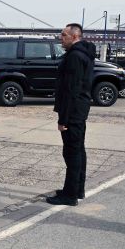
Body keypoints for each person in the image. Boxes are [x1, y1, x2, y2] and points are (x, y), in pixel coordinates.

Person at [46, 23, 95, 207]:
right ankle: (77, 189)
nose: (61, 38)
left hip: (73, 111)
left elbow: (70, 90)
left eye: (64, 35)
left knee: (72, 152)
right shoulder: (85, 54)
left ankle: (69, 195)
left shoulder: (75, 56)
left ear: (74, 36)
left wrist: (63, 119)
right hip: (80, 109)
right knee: (79, 150)